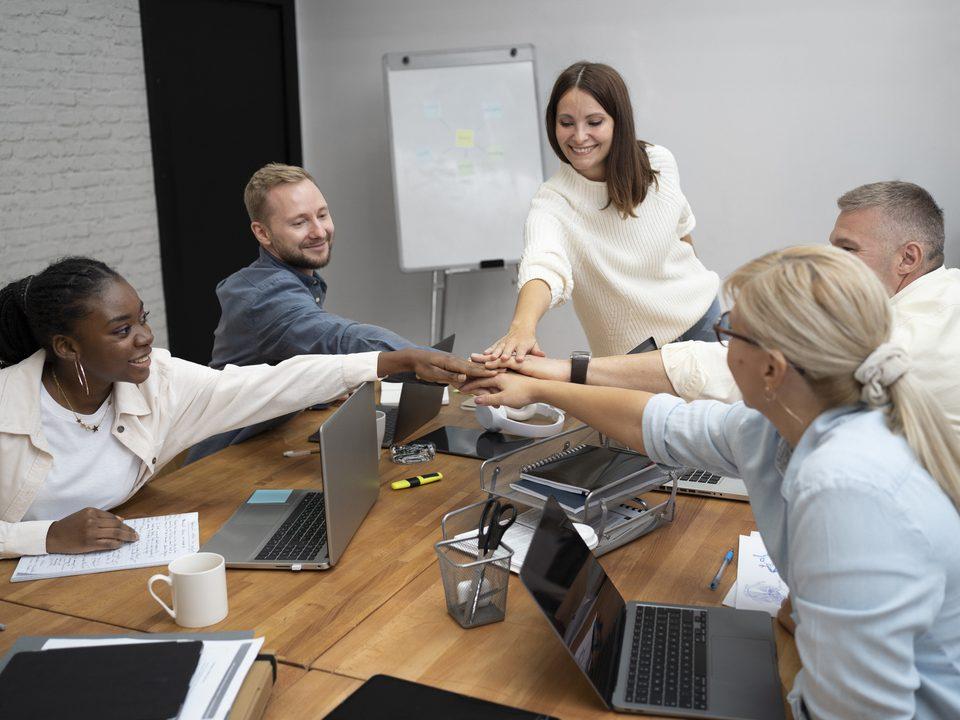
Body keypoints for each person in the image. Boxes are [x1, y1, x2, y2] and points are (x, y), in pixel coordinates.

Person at [463, 245, 960, 719]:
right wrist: (536, 386)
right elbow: (656, 421)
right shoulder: (780, 427)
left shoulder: (846, 489)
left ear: (772, 369)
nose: (720, 346)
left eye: (728, 334)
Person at [0, 258, 491, 558]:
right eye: (121, 329)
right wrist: (44, 536)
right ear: (66, 347)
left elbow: (273, 383)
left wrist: (393, 360)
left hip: (110, 564)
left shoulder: (161, 383)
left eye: (143, 319)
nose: (146, 337)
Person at [478, 181, 960, 432]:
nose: (831, 263)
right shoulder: (926, 303)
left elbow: (719, 377)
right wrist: (559, 376)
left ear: (908, 258)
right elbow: (680, 426)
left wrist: (559, 377)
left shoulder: (907, 343)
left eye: (847, 249)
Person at [190, 162, 429, 461]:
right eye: (299, 222)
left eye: (322, 215)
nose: (319, 231)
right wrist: (423, 360)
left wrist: (316, 394)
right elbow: (338, 338)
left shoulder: (299, 278)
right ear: (262, 233)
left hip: (266, 442)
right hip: (221, 463)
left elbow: (277, 372)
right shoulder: (265, 295)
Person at [484, 61, 720, 361]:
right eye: (566, 123)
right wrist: (522, 327)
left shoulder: (658, 162)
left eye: (594, 122)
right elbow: (543, 264)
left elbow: (682, 231)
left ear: (617, 121)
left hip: (704, 322)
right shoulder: (553, 201)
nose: (579, 136)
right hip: (634, 355)